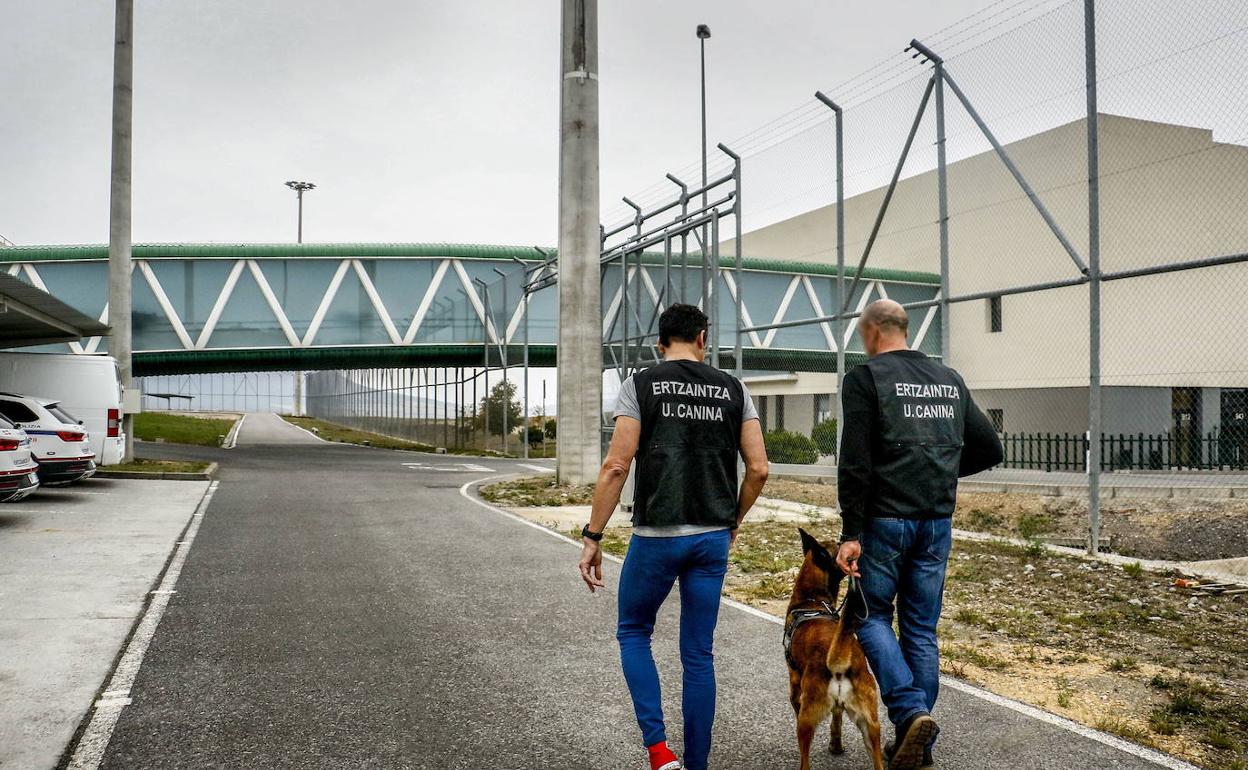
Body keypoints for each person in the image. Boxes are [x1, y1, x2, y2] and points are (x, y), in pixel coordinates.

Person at [577, 303, 769, 770]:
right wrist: (734, 520)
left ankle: (661, 755)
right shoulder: (735, 389)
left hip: (657, 535)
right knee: (698, 654)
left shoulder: (640, 384)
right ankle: (698, 764)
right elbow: (760, 469)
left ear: (659, 344)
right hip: (711, 538)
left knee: (634, 632)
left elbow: (616, 466)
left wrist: (593, 535)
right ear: (703, 338)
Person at [834, 299, 1003, 770]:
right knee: (922, 629)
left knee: (869, 617)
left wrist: (850, 531)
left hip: (885, 521)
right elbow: (990, 446)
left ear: (872, 331)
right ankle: (917, 745)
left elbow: (856, 460)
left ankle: (909, 712)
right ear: (904, 330)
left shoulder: (866, 379)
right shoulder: (950, 379)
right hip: (935, 522)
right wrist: (941, 470)